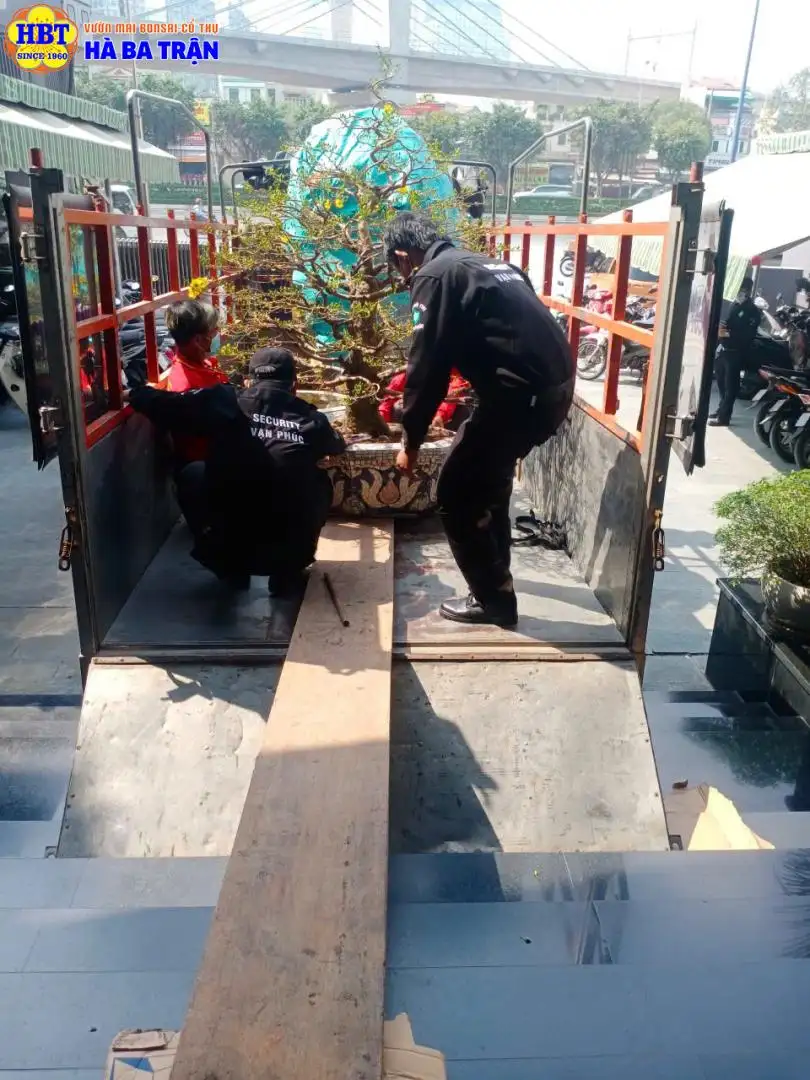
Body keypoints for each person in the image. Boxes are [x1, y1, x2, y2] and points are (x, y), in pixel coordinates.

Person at [383, 211, 574, 628]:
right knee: (488, 486)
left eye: (398, 270)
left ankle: (493, 602)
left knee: (455, 493)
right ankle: (496, 585)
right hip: (548, 394)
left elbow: (426, 367)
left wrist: (410, 441)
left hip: (515, 400)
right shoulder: (491, 266)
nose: (403, 279)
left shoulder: (434, 276)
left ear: (401, 256)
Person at [125, 347, 345, 594]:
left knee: (192, 474)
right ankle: (289, 570)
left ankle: (229, 568)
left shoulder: (224, 401)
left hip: (233, 544)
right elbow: (337, 445)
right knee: (320, 480)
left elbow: (171, 405)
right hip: (287, 550)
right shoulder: (313, 419)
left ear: (249, 381)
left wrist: (136, 393)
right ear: (295, 384)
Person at [163, 299, 230, 466]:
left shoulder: (201, 364)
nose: (217, 334)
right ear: (198, 340)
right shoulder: (187, 387)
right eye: (214, 332)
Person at [709, 276, 762, 427]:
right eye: (739, 288)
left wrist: (729, 333)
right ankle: (722, 409)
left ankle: (724, 418)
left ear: (748, 291)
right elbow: (728, 321)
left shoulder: (752, 310)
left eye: (743, 289)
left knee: (731, 386)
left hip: (736, 352)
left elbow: (749, 334)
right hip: (724, 349)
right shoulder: (734, 304)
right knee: (720, 381)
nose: (740, 292)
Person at [379, 368, 471, 431]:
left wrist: (440, 415)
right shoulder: (403, 377)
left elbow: (452, 393)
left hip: (446, 418)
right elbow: (387, 401)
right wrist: (381, 420)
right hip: (412, 417)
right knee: (399, 406)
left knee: (464, 407)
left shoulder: (453, 374)